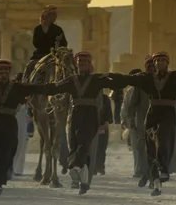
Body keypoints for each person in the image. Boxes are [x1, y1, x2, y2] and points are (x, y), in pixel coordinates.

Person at [108, 49, 176, 196]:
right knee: (150, 148)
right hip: (152, 114)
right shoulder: (147, 78)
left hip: (168, 114)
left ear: (167, 62)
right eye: (157, 61)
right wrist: (112, 77)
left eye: (162, 60)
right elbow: (130, 79)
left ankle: (163, 169)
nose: (159, 63)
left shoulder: (175, 77)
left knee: (163, 141)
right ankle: (156, 183)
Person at [40, 51, 127, 195]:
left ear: (89, 64)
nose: (82, 64)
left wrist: (103, 120)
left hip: (91, 116)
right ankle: (80, 180)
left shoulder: (97, 79)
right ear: (76, 63)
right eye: (80, 62)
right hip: (74, 116)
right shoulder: (71, 80)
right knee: (73, 146)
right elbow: (56, 89)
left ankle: (82, 177)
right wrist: (35, 88)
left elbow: (110, 92)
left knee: (85, 147)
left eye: (85, 62)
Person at [0, 59, 59, 196]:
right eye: (1, 70)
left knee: (8, 152)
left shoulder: (17, 87)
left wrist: (55, 86)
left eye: (6, 70)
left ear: (9, 72)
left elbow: (35, 87)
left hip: (10, 122)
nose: (4, 72)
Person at [23, 6, 68, 82]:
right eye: (52, 14)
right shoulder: (38, 29)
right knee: (30, 66)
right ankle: (25, 83)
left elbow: (64, 44)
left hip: (54, 56)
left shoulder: (58, 29)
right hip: (39, 55)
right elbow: (36, 43)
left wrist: (59, 42)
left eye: (55, 15)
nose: (54, 17)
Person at [125, 63, 151, 187]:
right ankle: (141, 171)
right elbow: (129, 105)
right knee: (139, 147)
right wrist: (129, 120)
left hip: (158, 120)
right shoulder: (137, 87)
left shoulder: (162, 81)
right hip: (140, 121)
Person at [12, 72, 29, 177]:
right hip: (13, 119)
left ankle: (18, 169)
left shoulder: (26, 93)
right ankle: (12, 167)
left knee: (22, 144)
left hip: (23, 121)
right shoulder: (13, 91)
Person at [95, 92, 113, 175]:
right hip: (91, 126)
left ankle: (100, 166)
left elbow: (108, 113)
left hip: (102, 125)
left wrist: (105, 124)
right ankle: (92, 167)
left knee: (102, 147)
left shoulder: (105, 98)